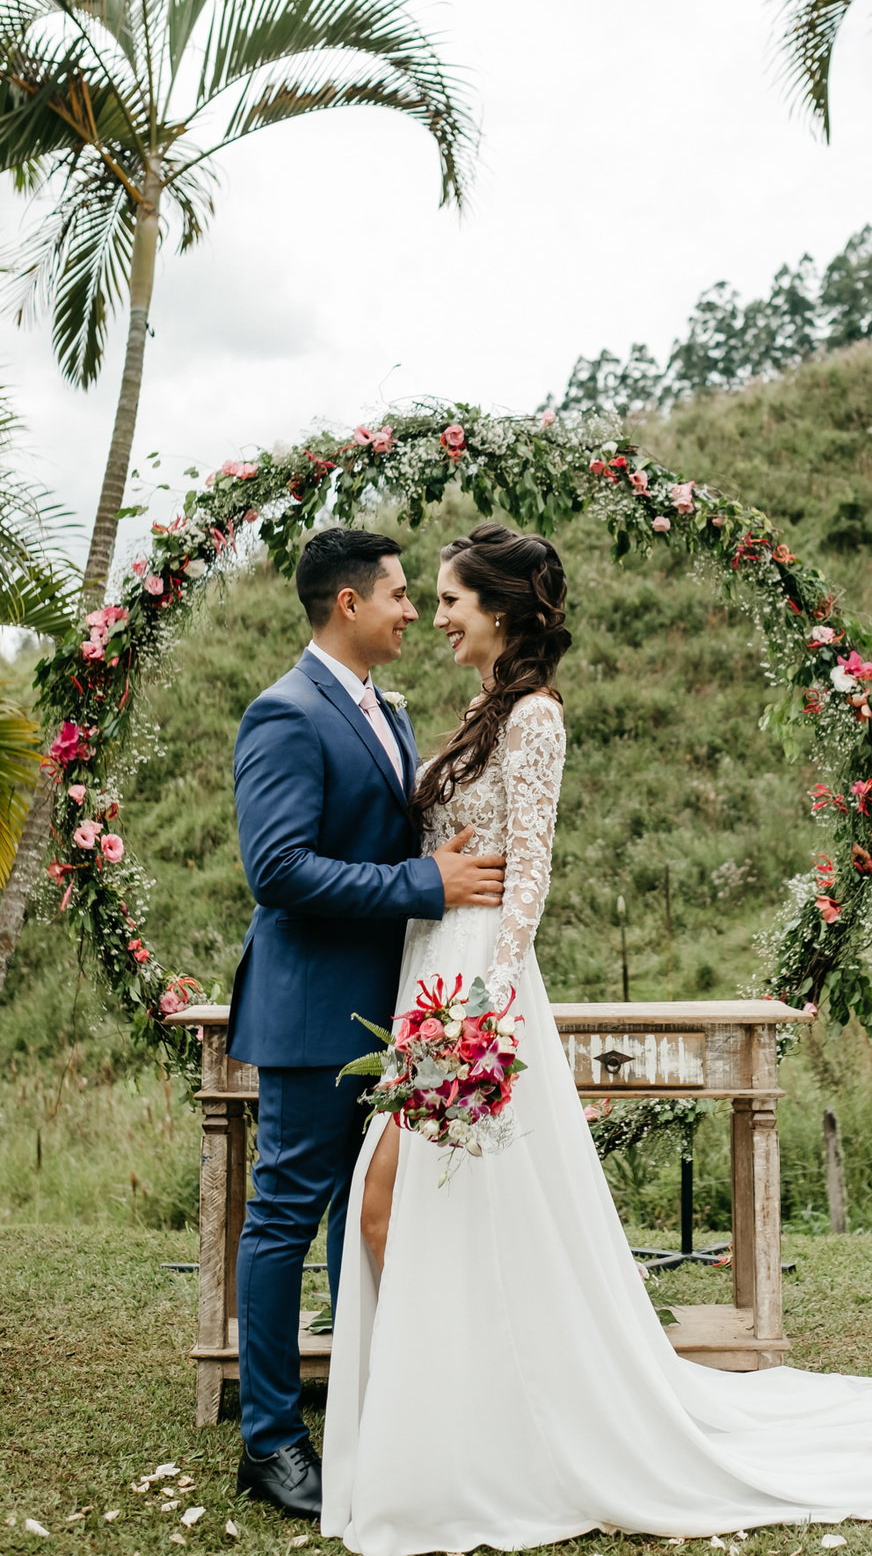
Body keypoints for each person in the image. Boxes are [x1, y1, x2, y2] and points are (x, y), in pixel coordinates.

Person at [321, 522, 872, 1554]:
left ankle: (483, 1426)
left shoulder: (536, 718)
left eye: (449, 599)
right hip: (432, 967)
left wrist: (484, 1017)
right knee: (411, 1204)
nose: (435, 616)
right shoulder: (479, 709)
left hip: (475, 987)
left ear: (497, 608)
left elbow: (532, 872)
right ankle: (464, 1417)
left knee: (406, 1197)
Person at [229, 527, 508, 1519]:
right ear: (348, 604)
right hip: (309, 1015)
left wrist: (438, 853)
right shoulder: (284, 714)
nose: (411, 611)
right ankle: (269, 1442)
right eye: (398, 593)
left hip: (387, 1016)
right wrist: (422, 880)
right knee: (283, 1221)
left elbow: (379, 838)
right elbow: (279, 871)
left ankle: (367, 1413)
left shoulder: (385, 710)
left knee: (369, 1214)